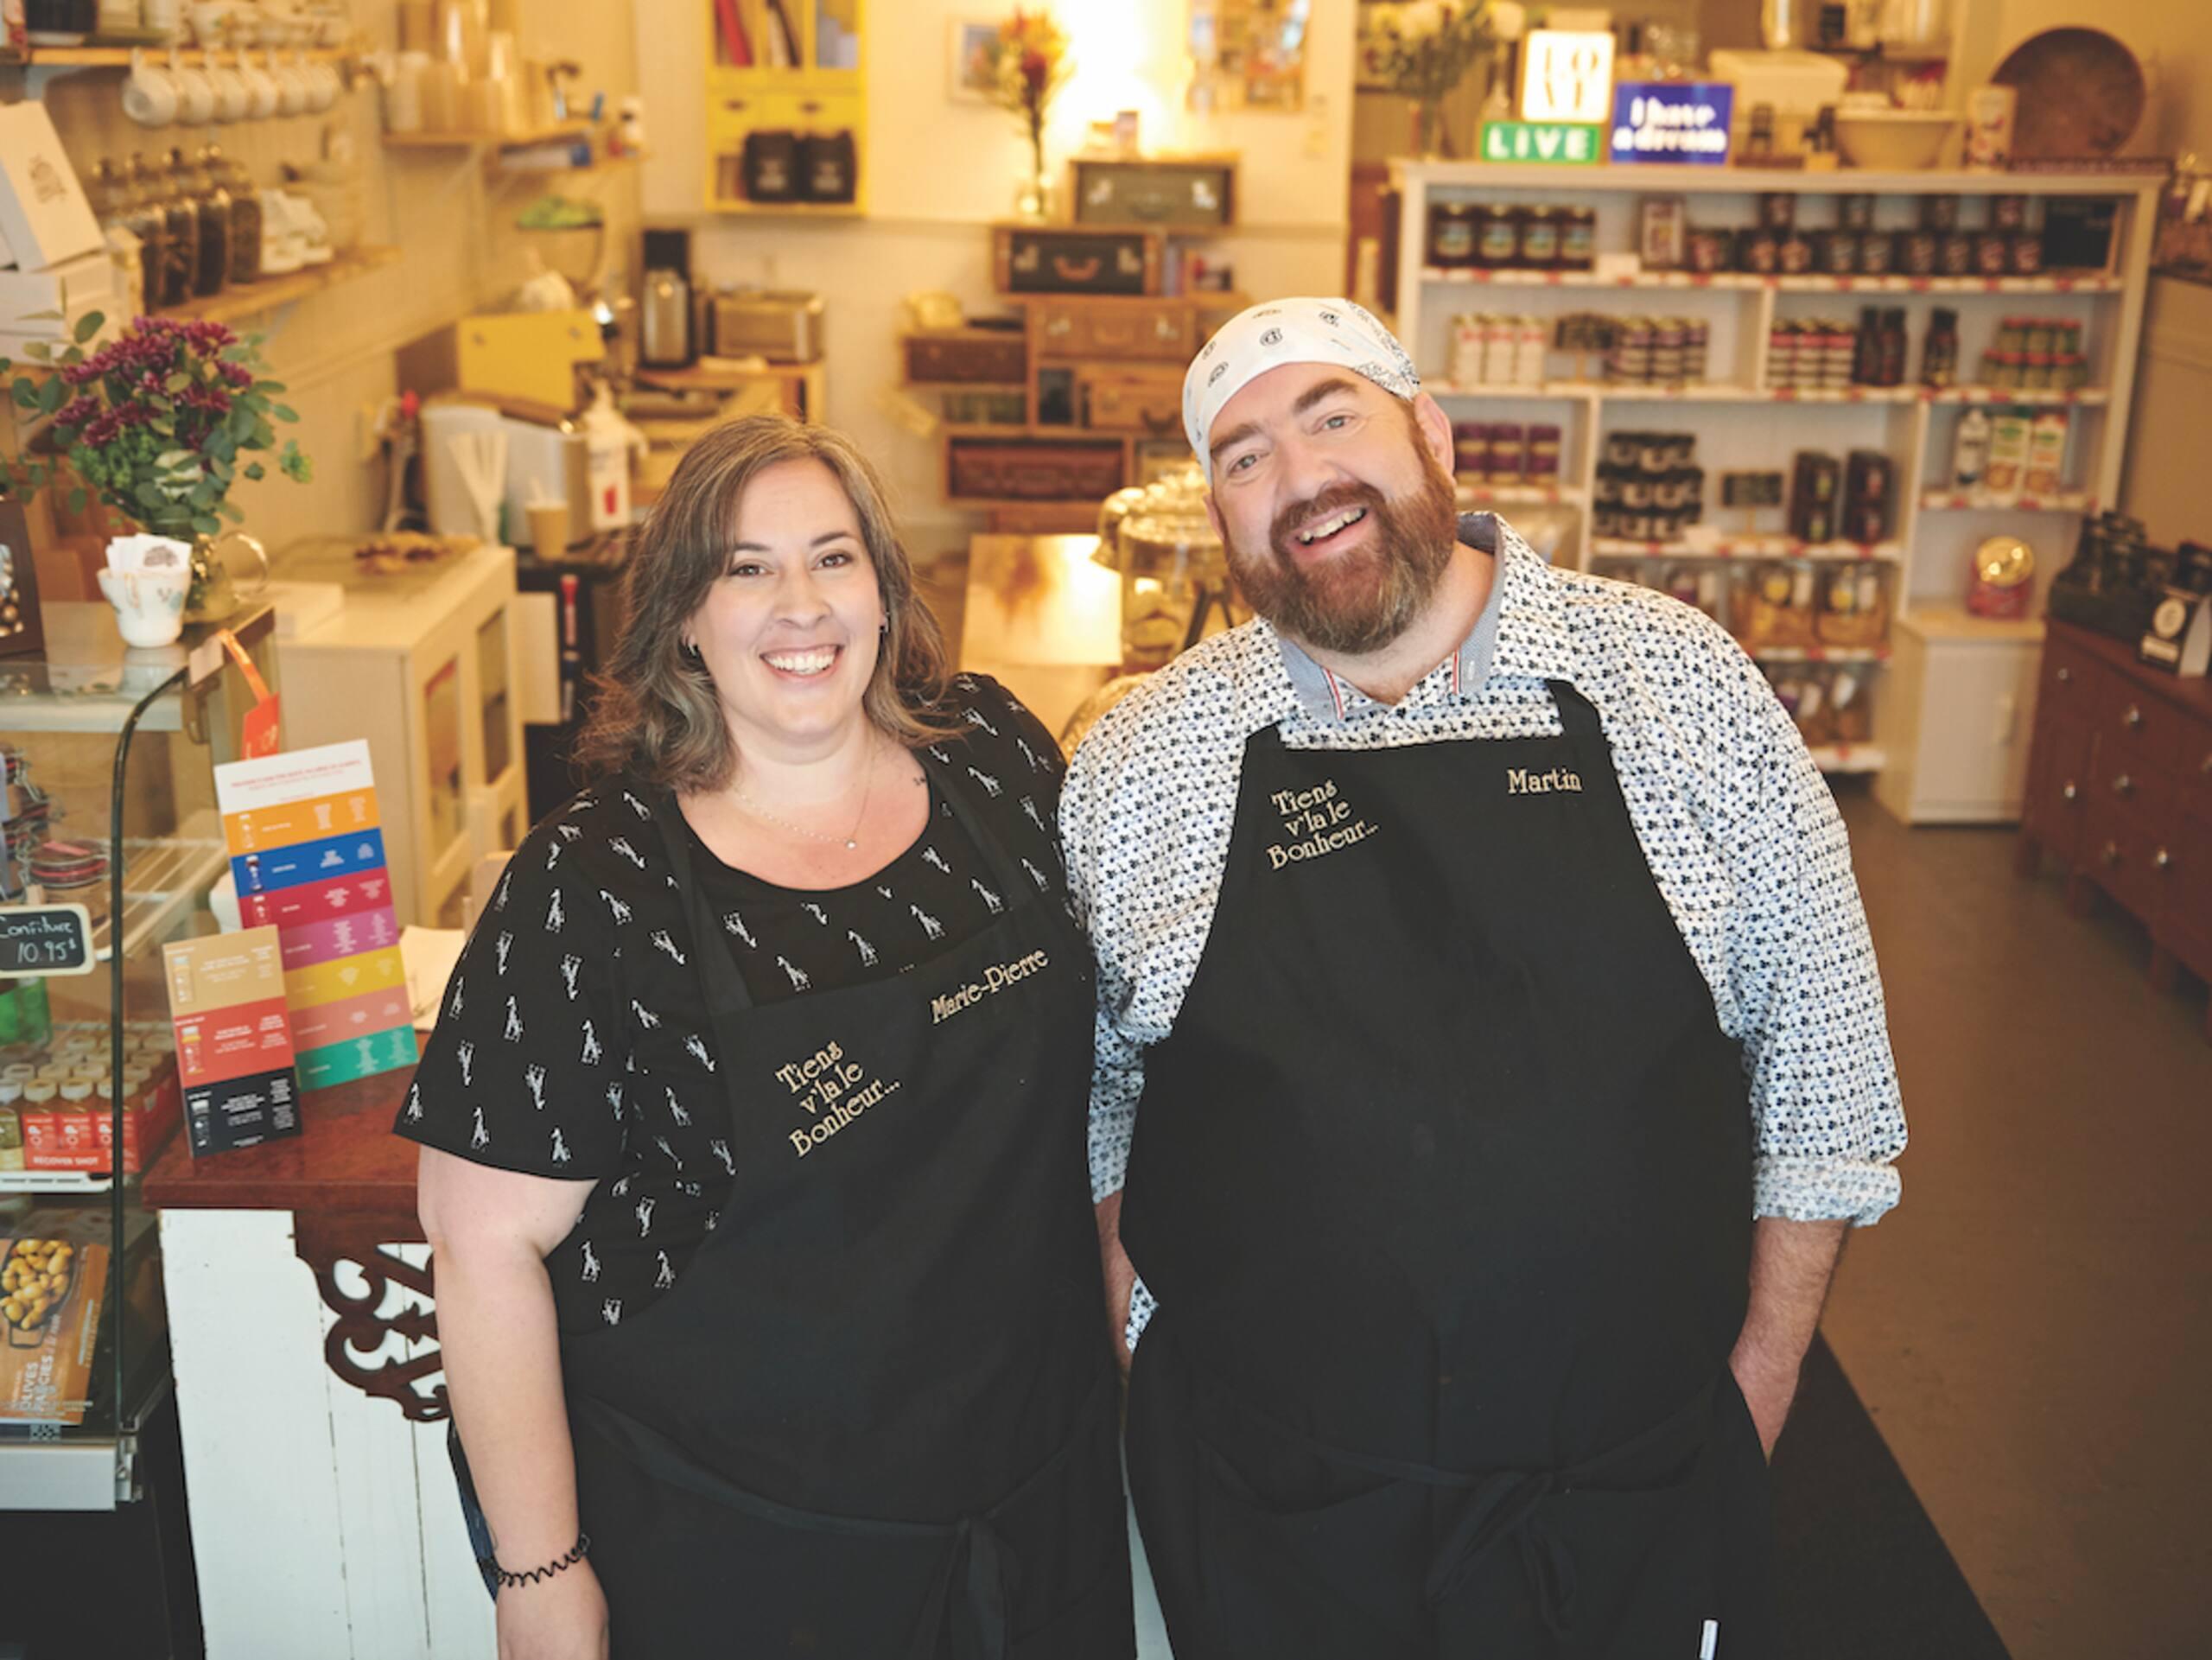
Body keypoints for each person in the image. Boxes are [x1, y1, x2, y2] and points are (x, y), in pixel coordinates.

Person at [1060, 299, 1908, 1659]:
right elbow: (1099, 1083)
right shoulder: (1146, 756)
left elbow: (1831, 1080)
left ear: (1432, 432)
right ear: (1218, 512)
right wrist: (1137, 1325)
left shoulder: (1675, 683)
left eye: (1334, 416)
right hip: (1268, 1502)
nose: (1300, 480)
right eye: (1244, 455)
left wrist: (1753, 1386)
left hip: (1624, 1496)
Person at [400, 414, 1134, 1660]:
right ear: (683, 613)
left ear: (886, 593)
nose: (800, 604)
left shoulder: (996, 756)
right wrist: (542, 1573)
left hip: (1035, 1502)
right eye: (746, 568)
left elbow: (1105, 1075)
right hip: (745, 1550)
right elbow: (482, 1250)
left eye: (833, 558)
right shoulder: (595, 881)